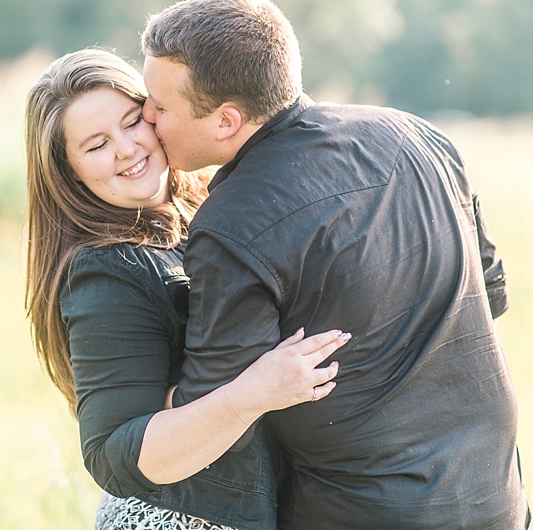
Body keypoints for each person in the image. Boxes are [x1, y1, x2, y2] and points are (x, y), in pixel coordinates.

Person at [139, 0, 530, 529]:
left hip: (362, 513)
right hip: (495, 498)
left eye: (160, 106)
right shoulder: (416, 134)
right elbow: (492, 294)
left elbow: (215, 415)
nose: (145, 117)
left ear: (226, 120)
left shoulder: (232, 221)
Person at [25, 48, 351, 530]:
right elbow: (114, 452)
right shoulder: (105, 271)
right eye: (95, 146)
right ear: (68, 171)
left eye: (133, 121)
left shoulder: (208, 207)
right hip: (176, 518)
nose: (126, 149)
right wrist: (255, 392)